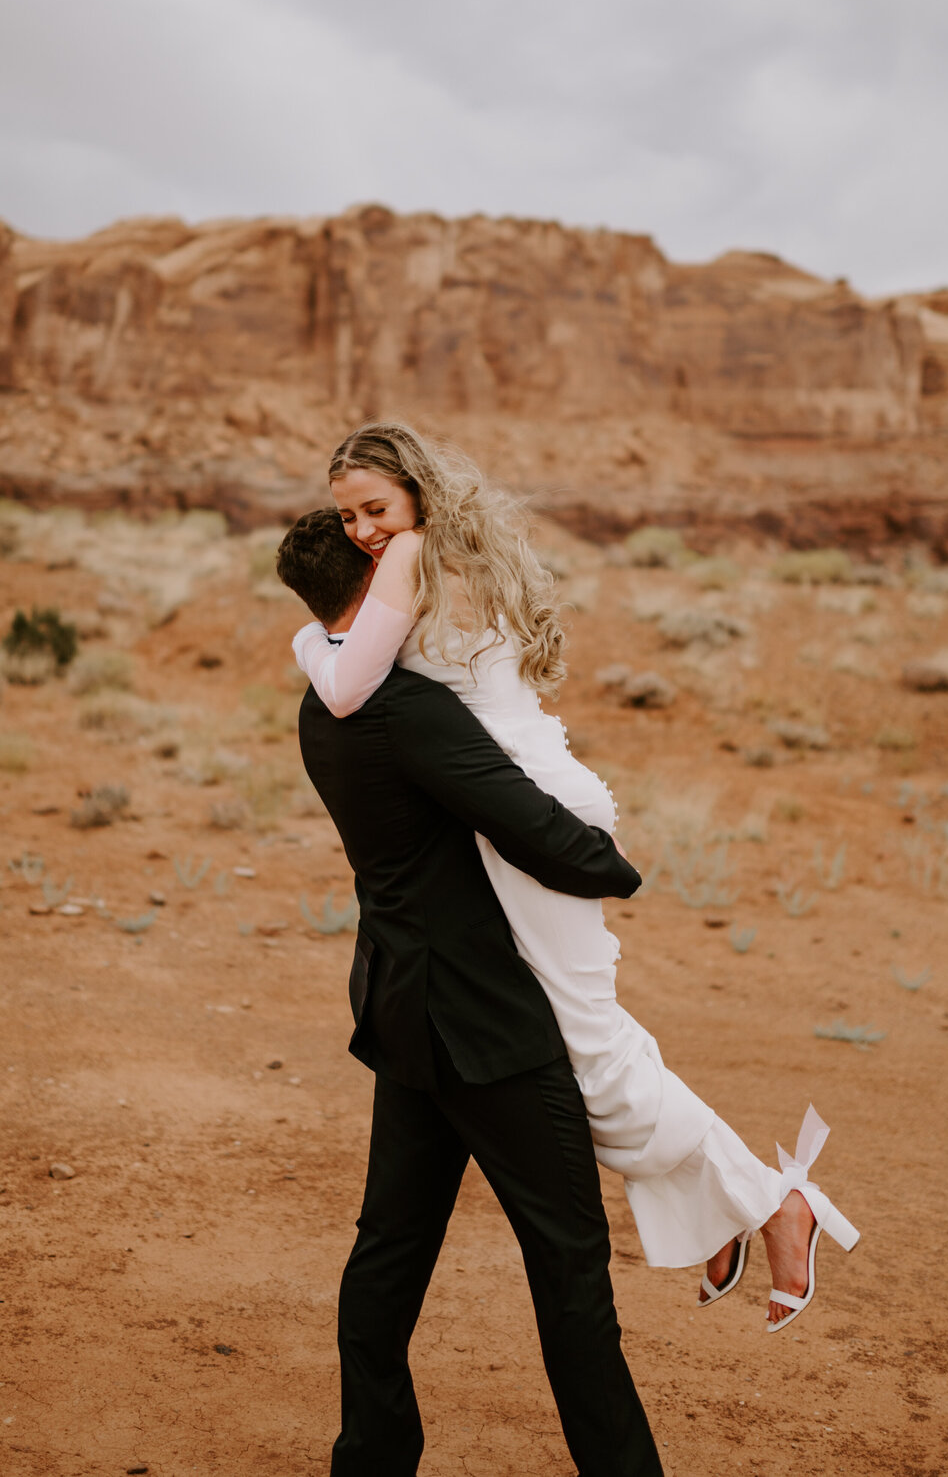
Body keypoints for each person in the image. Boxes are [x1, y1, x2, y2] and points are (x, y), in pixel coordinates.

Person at [291, 422, 859, 1334]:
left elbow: (350, 687)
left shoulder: (412, 558)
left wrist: (303, 644)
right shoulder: (458, 549)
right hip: (530, 796)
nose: (362, 529)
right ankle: (738, 1202)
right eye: (347, 513)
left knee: (582, 1053)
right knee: (580, 1033)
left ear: (416, 494)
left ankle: (774, 1203)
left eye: (375, 507)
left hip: (523, 818)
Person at [276, 508, 666, 1477]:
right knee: (571, 1268)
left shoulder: (320, 708)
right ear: (374, 587)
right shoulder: (410, 711)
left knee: (387, 1254)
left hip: (402, 1016)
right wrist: (616, 869)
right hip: (486, 1026)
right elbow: (525, 820)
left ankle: (371, 1456)